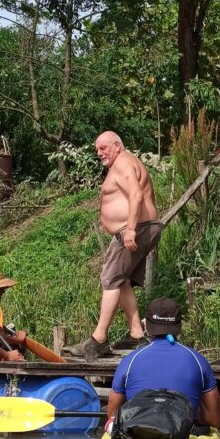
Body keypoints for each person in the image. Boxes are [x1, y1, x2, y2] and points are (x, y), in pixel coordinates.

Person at [69, 131, 162, 360]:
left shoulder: (123, 162)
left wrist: (130, 229)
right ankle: (137, 335)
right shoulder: (122, 162)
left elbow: (136, 194)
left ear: (117, 146)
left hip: (135, 229)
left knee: (109, 279)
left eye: (103, 147)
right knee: (122, 282)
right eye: (97, 149)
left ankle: (98, 339)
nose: (99, 153)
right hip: (139, 227)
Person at [104, 297, 220, 439]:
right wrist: (193, 414)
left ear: (147, 327)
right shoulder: (198, 360)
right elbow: (214, 420)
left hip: (137, 438)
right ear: (179, 327)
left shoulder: (130, 360)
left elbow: (112, 414)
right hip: (180, 437)